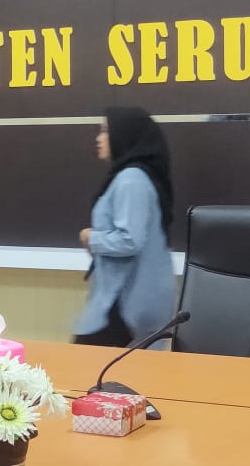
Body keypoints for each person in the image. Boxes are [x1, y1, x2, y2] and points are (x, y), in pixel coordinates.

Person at [74, 107, 176, 348]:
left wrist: (90, 237)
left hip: (127, 299)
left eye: (105, 131)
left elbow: (129, 240)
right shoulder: (133, 176)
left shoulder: (131, 179)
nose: (99, 138)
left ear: (123, 135)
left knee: (85, 362)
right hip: (125, 294)